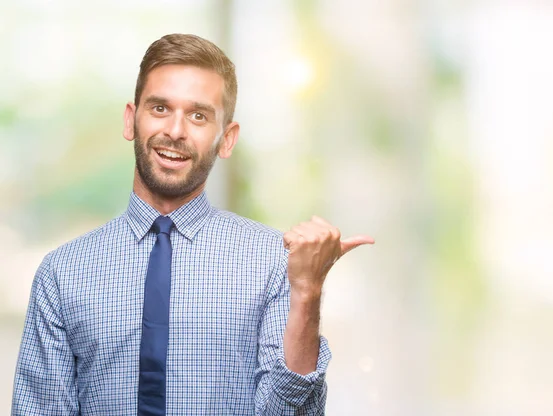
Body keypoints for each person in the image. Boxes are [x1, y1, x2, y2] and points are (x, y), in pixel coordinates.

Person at [11, 33, 374, 416]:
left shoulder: (276, 262)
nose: (176, 131)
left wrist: (308, 291)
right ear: (131, 119)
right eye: (160, 108)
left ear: (226, 139)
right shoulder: (62, 273)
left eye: (199, 115)